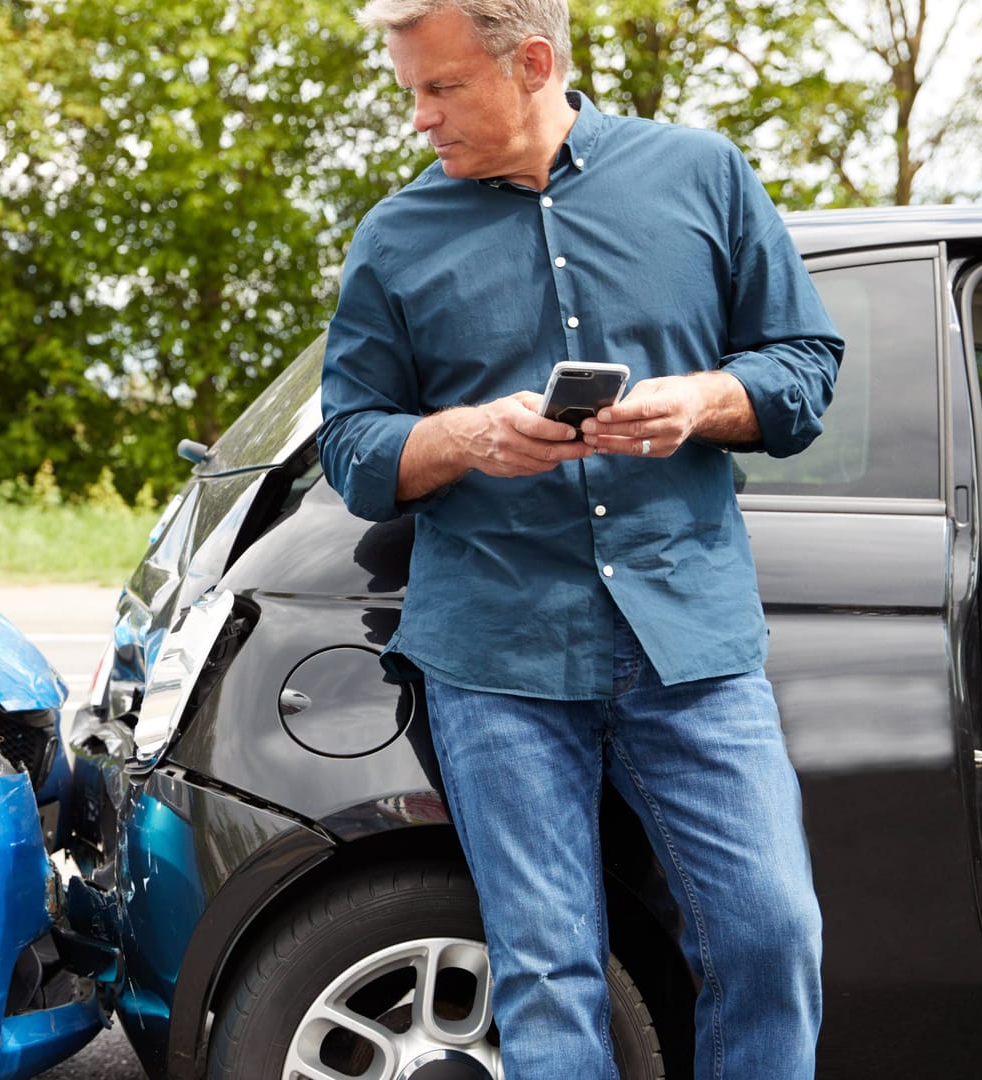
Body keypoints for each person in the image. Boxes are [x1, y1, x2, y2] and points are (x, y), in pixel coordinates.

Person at [315, 0, 842, 1077]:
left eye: (442, 87)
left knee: (771, 932)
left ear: (533, 62)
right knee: (547, 974)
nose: (418, 117)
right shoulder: (394, 237)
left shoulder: (703, 175)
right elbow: (352, 447)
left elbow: (804, 369)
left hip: (690, 640)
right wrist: (462, 438)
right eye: (409, 88)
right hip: (496, 653)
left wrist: (703, 400)